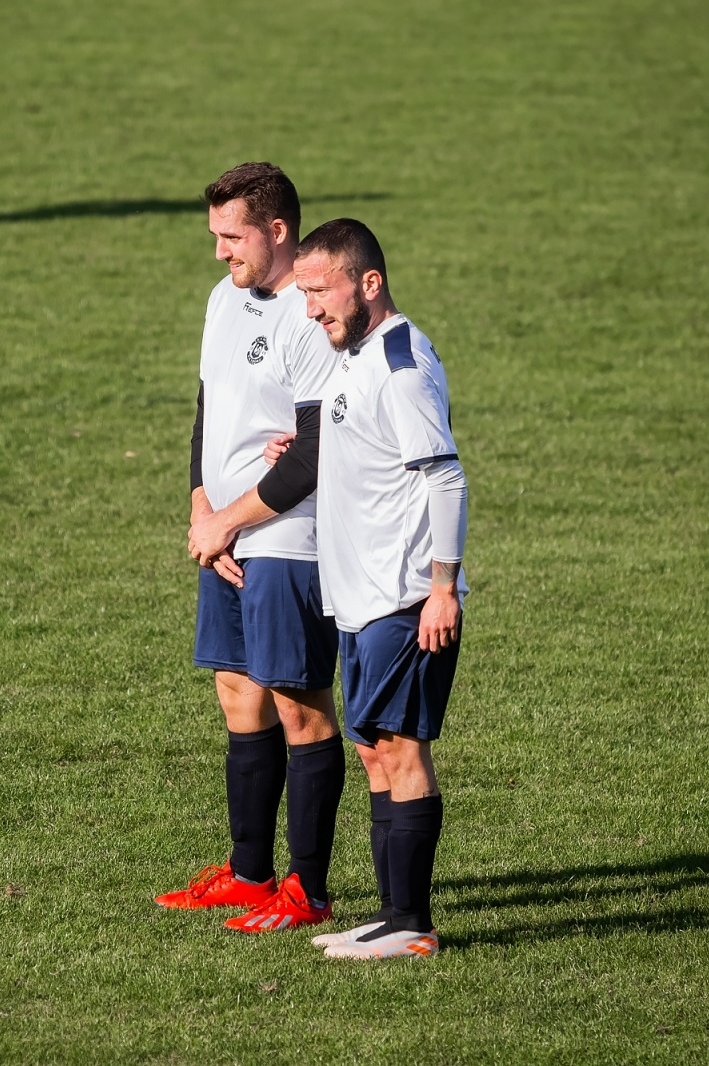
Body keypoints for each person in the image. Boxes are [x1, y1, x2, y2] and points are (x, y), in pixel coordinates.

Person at [153, 162, 345, 934]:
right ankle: (248, 873)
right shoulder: (221, 299)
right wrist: (205, 508)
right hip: (226, 529)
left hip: (289, 537)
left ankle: (309, 889)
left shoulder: (314, 312)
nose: (219, 252)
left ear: (276, 231)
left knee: (300, 705)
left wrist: (231, 519)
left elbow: (313, 451)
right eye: (214, 236)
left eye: (231, 236)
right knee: (238, 693)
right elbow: (210, 408)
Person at [282, 218, 468, 959]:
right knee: (375, 752)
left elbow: (443, 476)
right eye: (303, 293)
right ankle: (393, 917)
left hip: (403, 595)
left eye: (320, 291)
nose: (311, 309)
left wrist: (443, 588)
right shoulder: (353, 357)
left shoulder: (400, 364)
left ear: (370, 283)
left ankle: (413, 925)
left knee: (401, 750)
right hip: (359, 598)